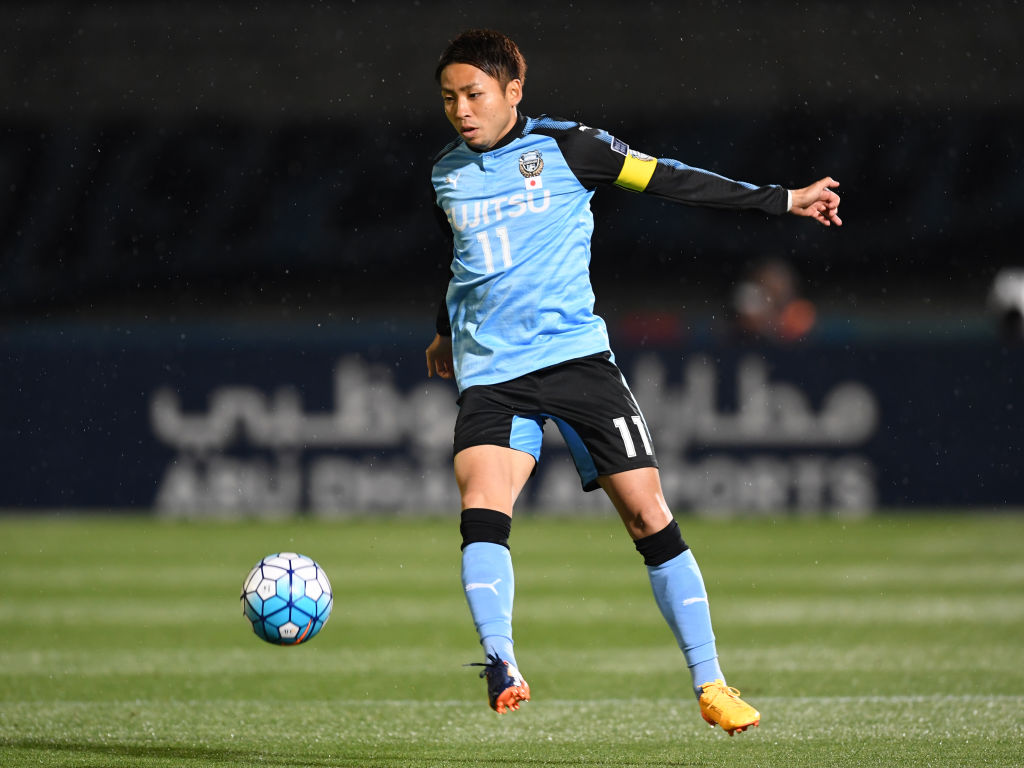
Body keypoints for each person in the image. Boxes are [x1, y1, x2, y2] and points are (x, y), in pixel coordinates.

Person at [424, 29, 841, 735]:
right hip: (492, 371)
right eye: (448, 98)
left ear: (513, 92)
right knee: (482, 507)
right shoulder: (445, 173)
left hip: (575, 360)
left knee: (648, 516)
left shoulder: (570, 148)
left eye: (474, 94)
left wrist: (782, 200)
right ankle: (501, 660)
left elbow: (670, 177)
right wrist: (444, 329)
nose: (461, 110)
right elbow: (464, 259)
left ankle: (711, 683)